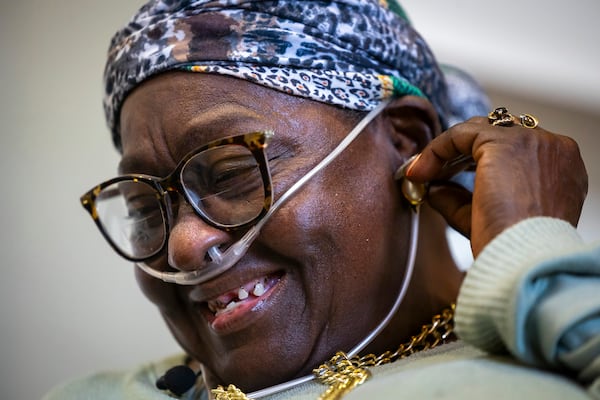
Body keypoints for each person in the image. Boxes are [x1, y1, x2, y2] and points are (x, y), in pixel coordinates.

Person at [45, 1, 600, 399]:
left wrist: (533, 259)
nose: (186, 246)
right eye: (147, 208)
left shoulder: (553, 359)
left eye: (233, 172)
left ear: (406, 143)